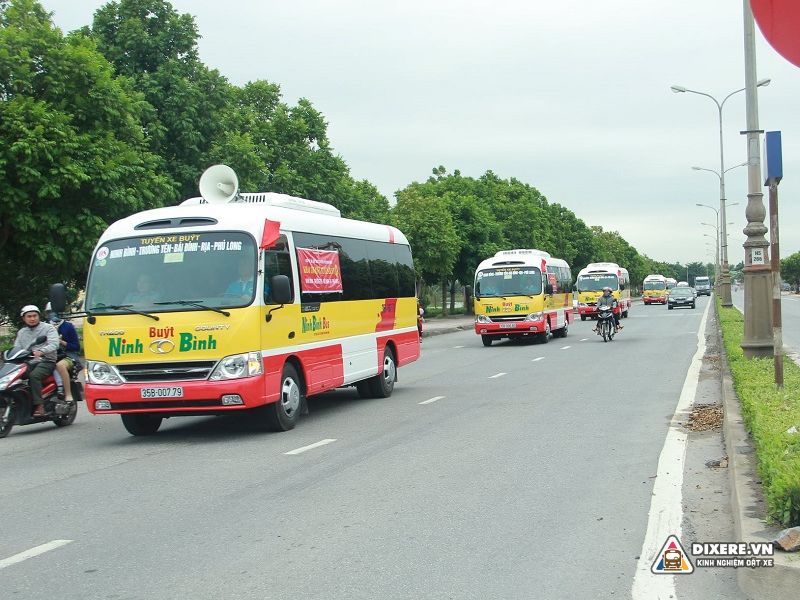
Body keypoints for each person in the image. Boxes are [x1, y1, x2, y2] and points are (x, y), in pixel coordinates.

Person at [13, 305, 59, 416]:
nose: (32, 318)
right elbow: (16, 348)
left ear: (39, 316)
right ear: (24, 318)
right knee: (13, 376)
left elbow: (54, 344)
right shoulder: (22, 332)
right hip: (28, 362)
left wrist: (42, 351)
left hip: (46, 360)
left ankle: (40, 405)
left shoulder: (48, 328)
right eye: (29, 316)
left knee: (34, 376)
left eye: (34, 316)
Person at [45, 303, 80, 403]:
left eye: (55, 312)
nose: (53, 314)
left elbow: (76, 346)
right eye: (50, 312)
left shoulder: (68, 326)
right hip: (49, 355)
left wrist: (61, 342)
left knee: (59, 365)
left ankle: (67, 393)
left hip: (68, 356)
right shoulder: (45, 326)